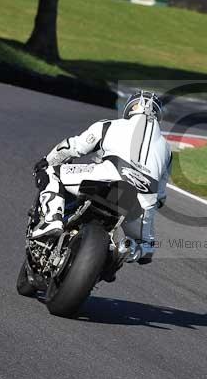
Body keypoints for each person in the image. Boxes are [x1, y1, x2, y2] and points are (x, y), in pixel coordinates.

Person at [31, 90, 171, 265]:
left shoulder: (109, 125)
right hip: (143, 198)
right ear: (158, 116)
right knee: (147, 247)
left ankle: (51, 221)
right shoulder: (167, 150)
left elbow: (71, 147)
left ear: (129, 109)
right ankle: (123, 253)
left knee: (51, 173)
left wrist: (47, 161)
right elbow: (161, 197)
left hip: (107, 176)